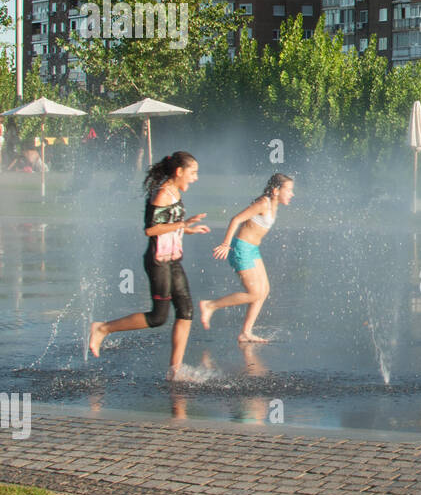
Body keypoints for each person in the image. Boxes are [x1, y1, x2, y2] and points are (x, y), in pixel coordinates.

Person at [88, 152, 210, 377]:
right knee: (158, 317)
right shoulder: (163, 194)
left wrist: (187, 228)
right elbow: (151, 229)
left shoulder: (173, 192)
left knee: (186, 312)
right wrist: (184, 223)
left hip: (173, 259)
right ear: (179, 171)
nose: (195, 178)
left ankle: (175, 369)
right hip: (158, 261)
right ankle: (102, 328)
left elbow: (169, 223)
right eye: (193, 172)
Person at [200, 173, 296, 342]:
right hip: (241, 249)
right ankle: (210, 305)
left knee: (264, 291)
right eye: (288, 190)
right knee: (254, 293)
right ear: (276, 190)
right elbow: (236, 219)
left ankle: (246, 332)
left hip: (252, 250)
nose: (292, 194)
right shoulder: (263, 203)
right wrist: (226, 244)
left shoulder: (274, 204)